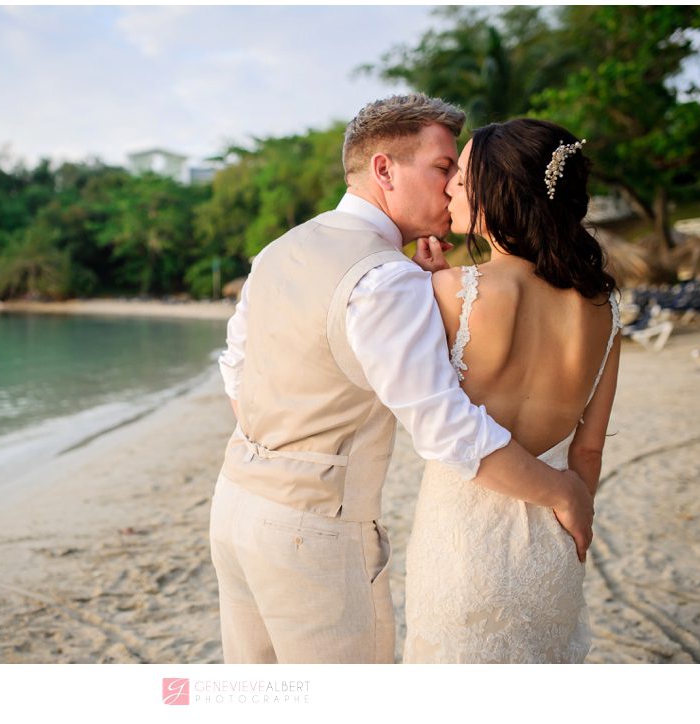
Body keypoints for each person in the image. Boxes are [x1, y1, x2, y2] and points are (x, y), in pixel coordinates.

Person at [209, 94, 595, 664]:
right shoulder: (389, 278)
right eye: (444, 169)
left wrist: (283, 450)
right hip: (314, 531)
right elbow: (443, 427)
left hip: (234, 506)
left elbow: (236, 372)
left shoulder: (279, 249)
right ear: (384, 169)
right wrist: (562, 488)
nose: (451, 188)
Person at [403, 118, 621, 663]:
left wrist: (429, 279)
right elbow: (587, 451)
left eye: (461, 175)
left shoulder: (450, 292)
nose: (450, 186)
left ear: (497, 191)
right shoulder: (605, 309)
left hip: (460, 547)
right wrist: (575, 516)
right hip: (553, 545)